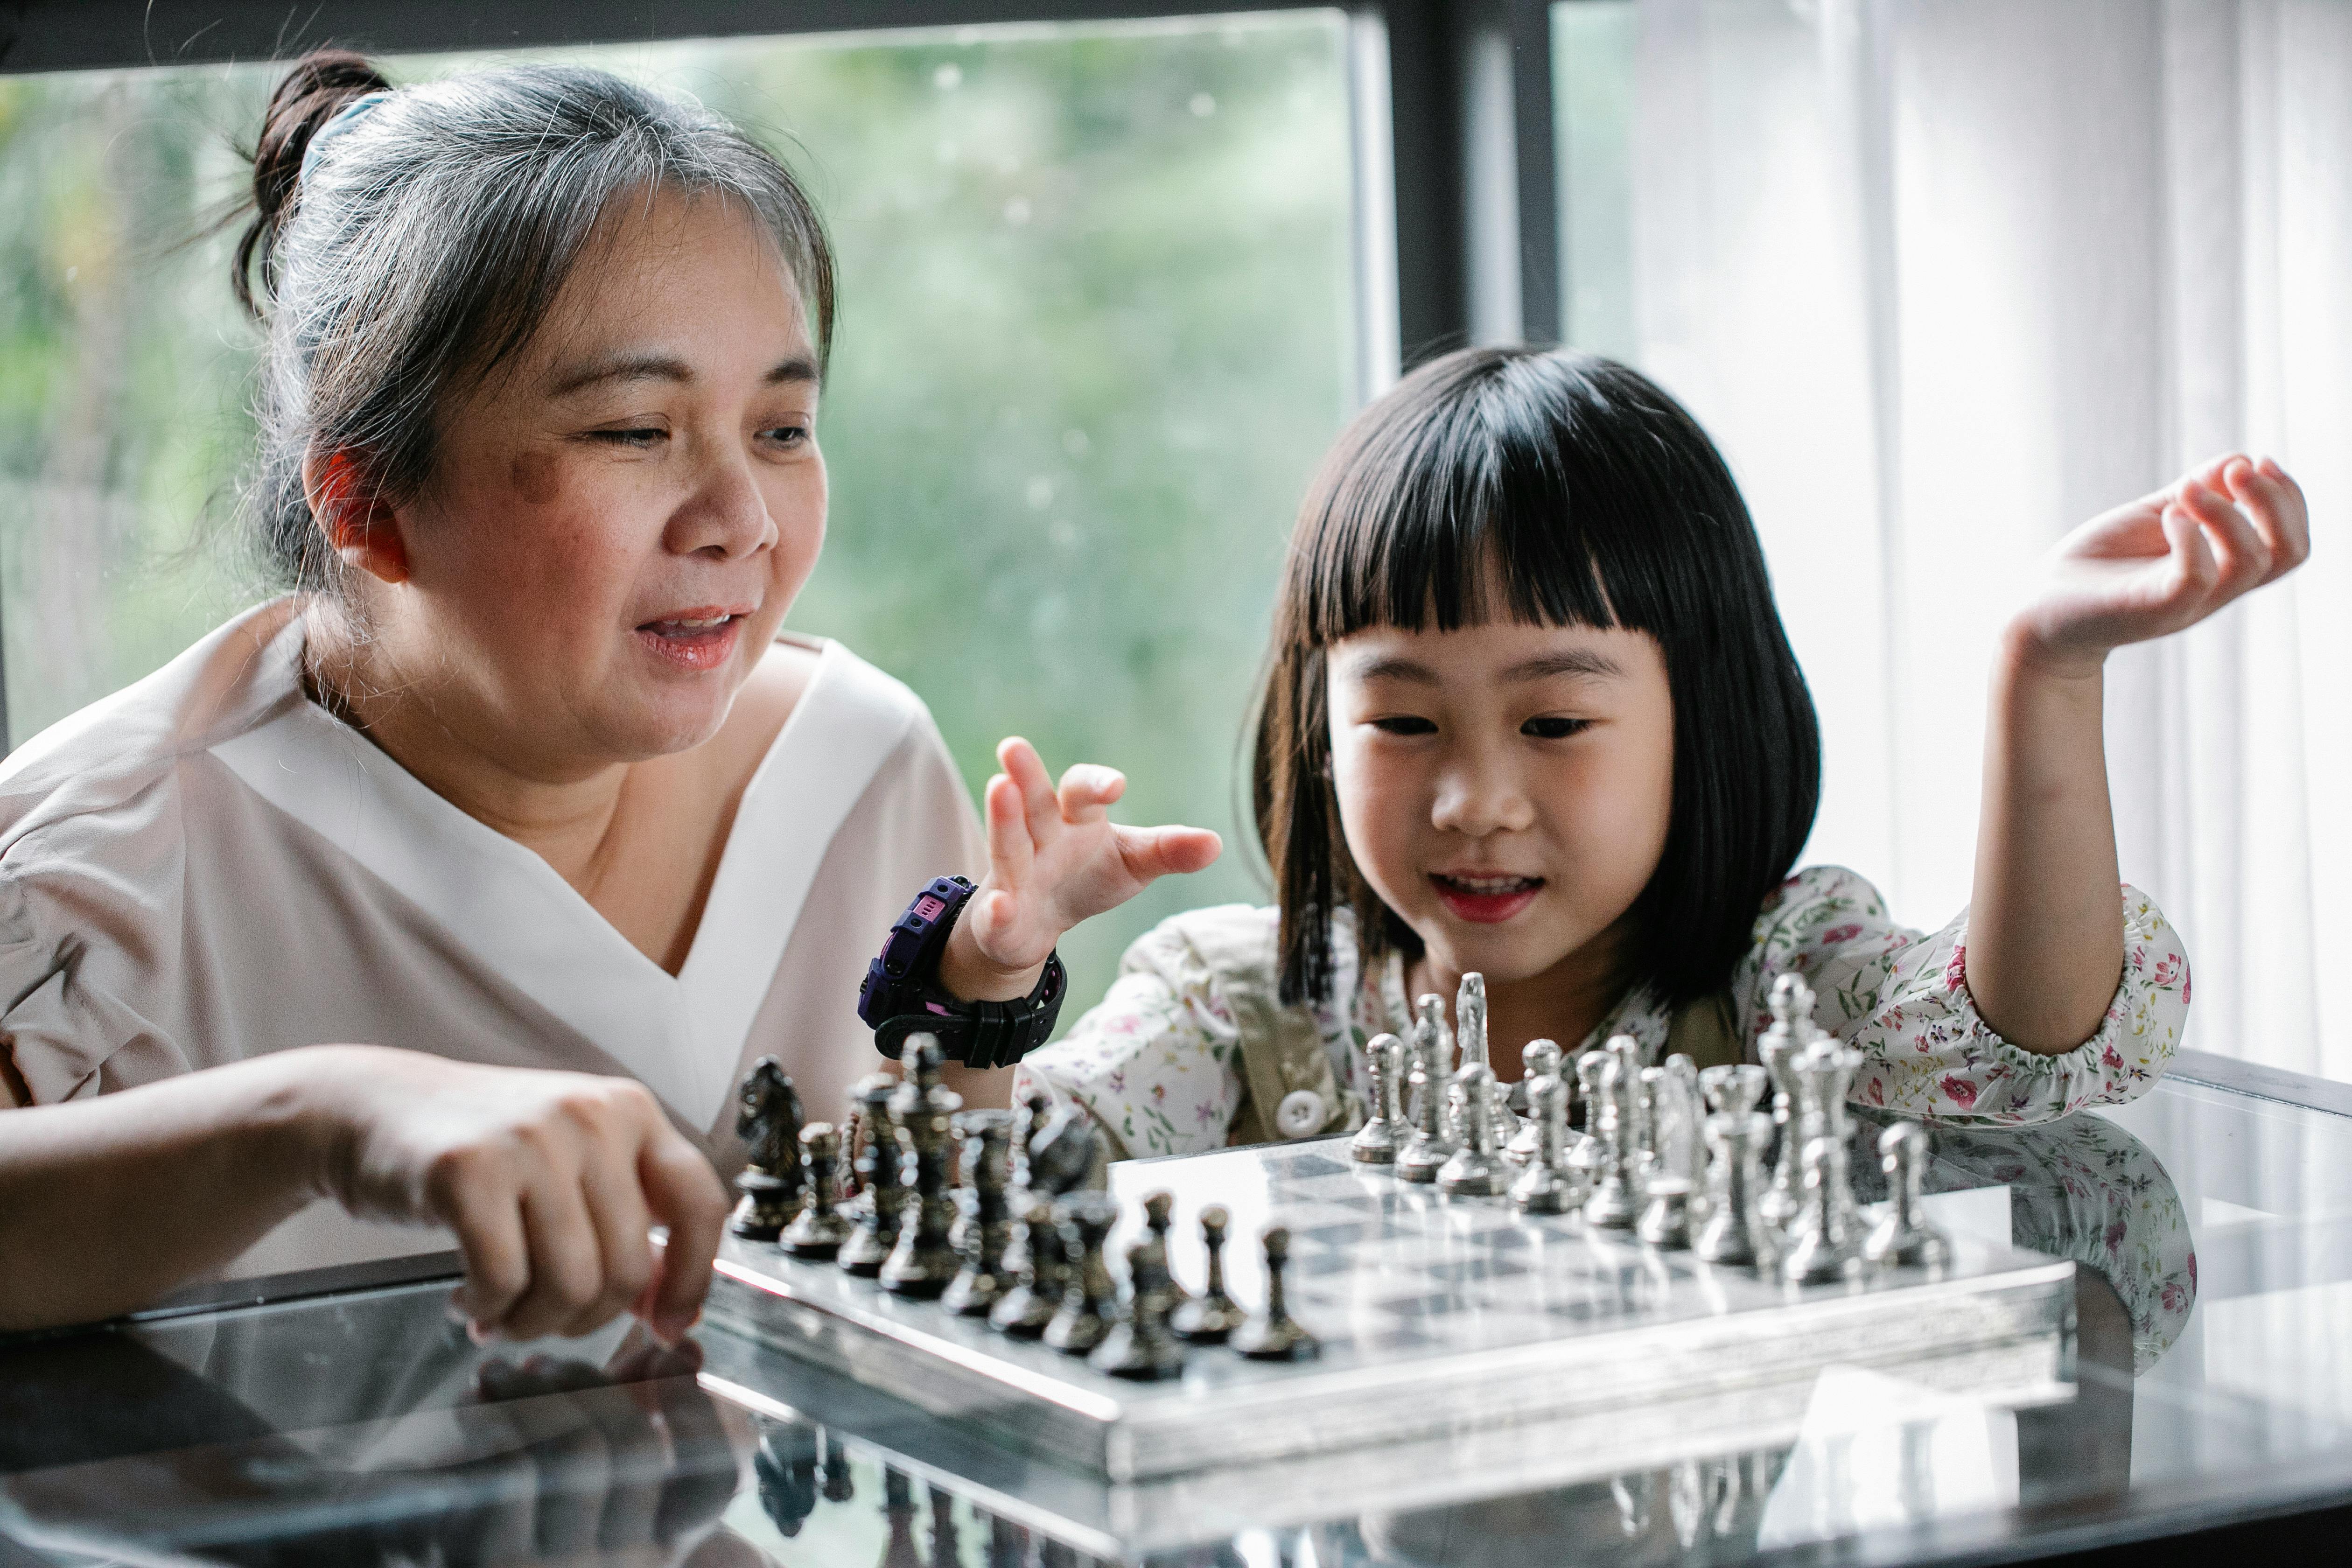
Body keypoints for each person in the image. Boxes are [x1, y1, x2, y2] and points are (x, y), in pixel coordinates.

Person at [0, 51, 994, 1337]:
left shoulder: (865, 774)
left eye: (783, 430)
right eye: (635, 431)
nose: (741, 521)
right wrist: (319, 1119)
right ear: (366, 502)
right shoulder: (95, 881)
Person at [905, 347, 2305, 1157]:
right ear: (1314, 729)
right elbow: (1002, 1190)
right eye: (1400, 721)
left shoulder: (1776, 980)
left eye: (1556, 722)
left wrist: (2044, 674)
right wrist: (991, 978)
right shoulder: (1243, 999)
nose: (1474, 800)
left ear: (1705, 717)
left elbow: (2025, 1052)